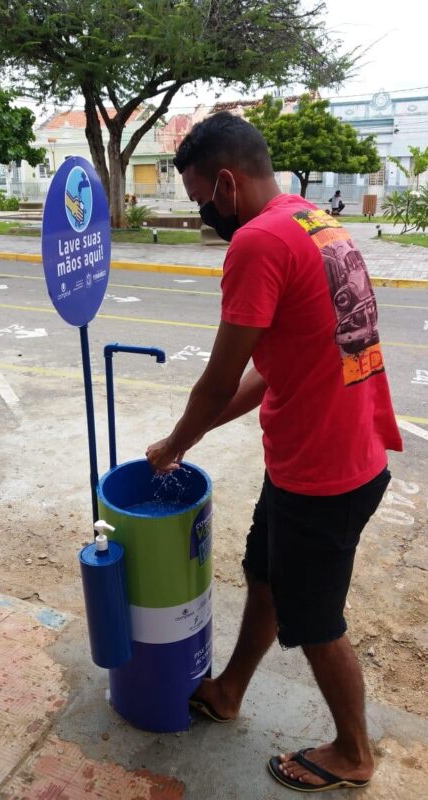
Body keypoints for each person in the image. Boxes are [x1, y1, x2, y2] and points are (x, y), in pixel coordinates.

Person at [146, 112, 402, 794]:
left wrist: (174, 443)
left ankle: (354, 753)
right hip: (332, 452)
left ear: (227, 184)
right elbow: (274, 372)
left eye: (202, 199)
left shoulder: (257, 243)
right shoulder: (311, 222)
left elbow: (221, 377)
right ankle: (230, 689)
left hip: (326, 470)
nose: (203, 212)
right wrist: (193, 440)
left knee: (314, 620)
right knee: (265, 571)